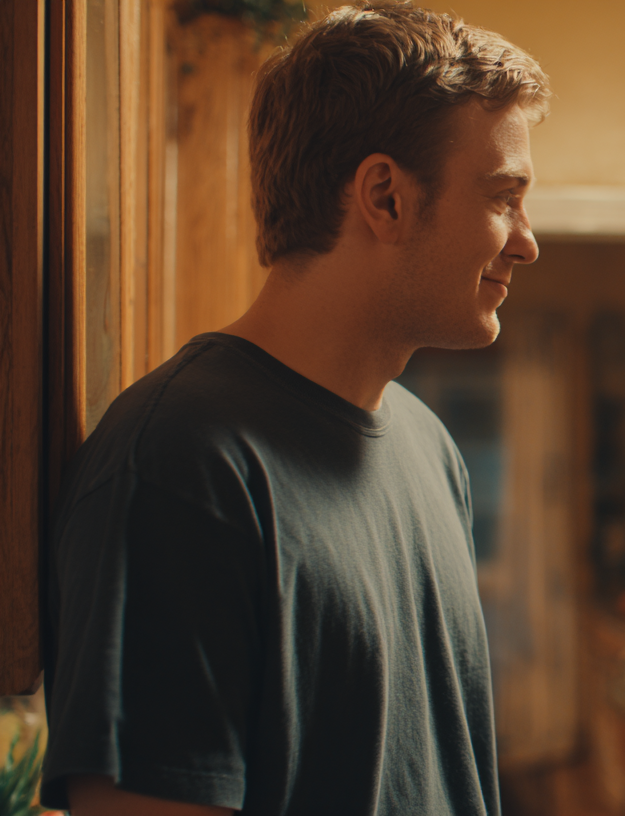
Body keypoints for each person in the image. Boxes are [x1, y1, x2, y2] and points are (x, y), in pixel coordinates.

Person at [40, 4, 546, 814]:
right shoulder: (179, 466)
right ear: (384, 197)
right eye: (502, 197)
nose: (526, 240)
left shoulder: (428, 446)